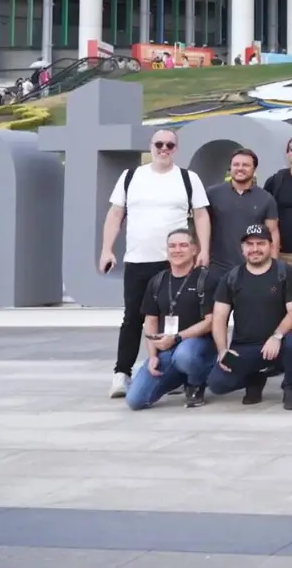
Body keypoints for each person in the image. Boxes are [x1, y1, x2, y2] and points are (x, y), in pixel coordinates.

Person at [98, 128, 211, 398]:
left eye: (169, 145)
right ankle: (121, 373)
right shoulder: (131, 176)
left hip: (174, 262)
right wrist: (106, 250)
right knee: (133, 318)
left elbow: (201, 215)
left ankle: (172, 369)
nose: (164, 148)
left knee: (174, 317)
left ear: (176, 148)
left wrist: (204, 250)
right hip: (138, 259)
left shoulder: (187, 178)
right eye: (159, 144)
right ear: (151, 146)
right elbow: (116, 214)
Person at [208, 224, 292, 409]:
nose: (255, 249)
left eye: (260, 243)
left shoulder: (285, 272)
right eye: (249, 244)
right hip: (244, 347)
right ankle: (254, 378)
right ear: (242, 249)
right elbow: (219, 317)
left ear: (270, 245)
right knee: (217, 384)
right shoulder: (232, 277)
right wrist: (222, 351)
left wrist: (277, 336)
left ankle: (290, 388)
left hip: (278, 344)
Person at [124, 229, 217, 410]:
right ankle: (177, 377)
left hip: (197, 346)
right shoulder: (157, 281)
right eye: (172, 246)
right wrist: (152, 356)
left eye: (183, 245)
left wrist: (177, 337)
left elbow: (211, 321)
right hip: (167, 349)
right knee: (135, 401)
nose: (177, 250)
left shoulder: (206, 279)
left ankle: (196, 382)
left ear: (194, 250)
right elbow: (150, 321)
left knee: (184, 354)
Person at [204, 149, 279, 274]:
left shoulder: (266, 198)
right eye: (236, 165)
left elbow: (273, 232)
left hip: (253, 267)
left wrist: (274, 265)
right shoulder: (212, 194)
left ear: (254, 169)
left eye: (245, 165)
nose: (240, 168)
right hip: (217, 268)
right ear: (230, 167)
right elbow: (201, 226)